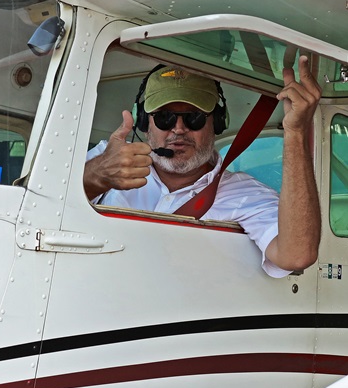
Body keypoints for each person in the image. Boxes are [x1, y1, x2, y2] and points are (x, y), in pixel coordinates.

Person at [83, 57, 322, 278]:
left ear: (217, 123)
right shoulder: (106, 159)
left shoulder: (245, 195)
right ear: (145, 124)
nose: (178, 129)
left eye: (193, 117)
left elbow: (297, 255)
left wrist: (296, 132)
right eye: (164, 117)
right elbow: (46, 211)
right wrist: (97, 175)